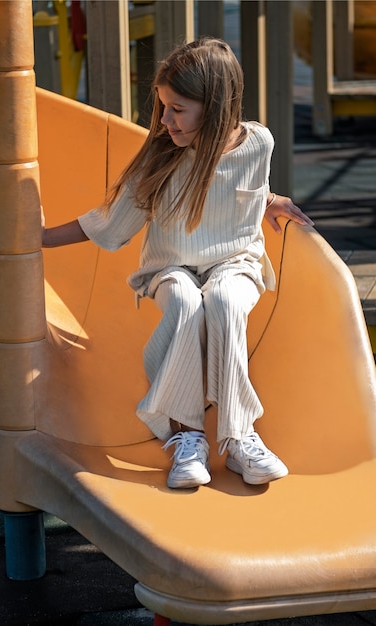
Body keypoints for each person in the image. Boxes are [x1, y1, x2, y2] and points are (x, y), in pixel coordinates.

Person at [42, 38, 314, 489]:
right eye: (164, 107)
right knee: (188, 304)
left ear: (216, 107)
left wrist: (268, 198)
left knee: (225, 302)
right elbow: (111, 224)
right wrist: (40, 238)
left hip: (236, 262)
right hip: (172, 269)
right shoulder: (161, 155)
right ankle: (189, 437)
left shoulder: (258, 142)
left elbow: (238, 185)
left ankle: (240, 434)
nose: (165, 119)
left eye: (177, 109)